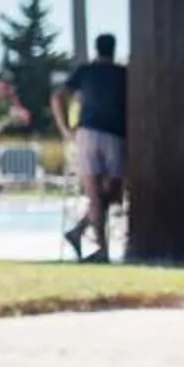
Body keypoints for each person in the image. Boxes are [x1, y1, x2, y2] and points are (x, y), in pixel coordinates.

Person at [57, 32, 128, 262]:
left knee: (104, 194)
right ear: (113, 49)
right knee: (106, 193)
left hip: (88, 133)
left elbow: (58, 95)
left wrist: (65, 128)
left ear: (97, 49)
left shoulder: (86, 72)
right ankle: (102, 250)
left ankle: (79, 233)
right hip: (113, 133)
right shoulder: (122, 74)